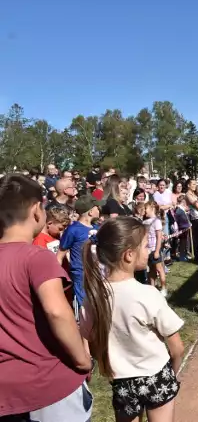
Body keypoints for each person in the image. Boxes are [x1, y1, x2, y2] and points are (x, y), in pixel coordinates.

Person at [0, 174, 92, 422]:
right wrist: (82, 360)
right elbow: (57, 312)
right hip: (47, 386)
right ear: (36, 211)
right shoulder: (37, 257)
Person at [79, 217, 184, 421]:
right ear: (129, 255)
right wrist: (174, 372)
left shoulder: (93, 298)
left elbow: (89, 341)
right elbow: (177, 348)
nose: (149, 249)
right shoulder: (147, 294)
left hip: (122, 382)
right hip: (156, 376)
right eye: (145, 246)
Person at [57, 194, 101, 319]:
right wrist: (59, 278)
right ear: (91, 211)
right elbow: (60, 255)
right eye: (97, 207)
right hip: (81, 275)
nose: (99, 210)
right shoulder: (73, 230)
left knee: (97, 308)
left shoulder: (98, 228)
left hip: (97, 274)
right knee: (83, 312)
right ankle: (83, 337)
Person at [144, 201, 167, 296]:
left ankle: (164, 288)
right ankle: (152, 287)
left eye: (146, 208)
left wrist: (157, 251)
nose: (144, 210)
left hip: (154, 249)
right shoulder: (145, 221)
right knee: (151, 270)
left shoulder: (156, 221)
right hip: (147, 250)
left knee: (159, 269)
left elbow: (158, 237)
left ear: (152, 209)